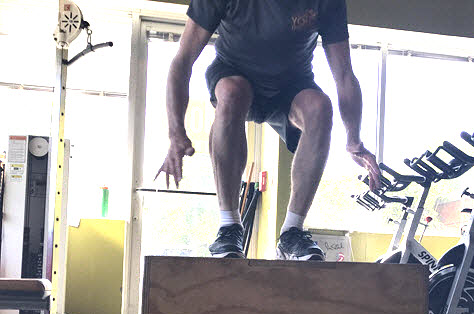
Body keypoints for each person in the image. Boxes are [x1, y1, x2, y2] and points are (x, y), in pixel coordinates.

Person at [156, 0, 381, 260]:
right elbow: (182, 61)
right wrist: (175, 134)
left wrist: (354, 139)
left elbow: (343, 74)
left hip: (291, 85)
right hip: (233, 74)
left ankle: (292, 232)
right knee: (231, 93)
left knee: (320, 107)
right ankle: (229, 225)